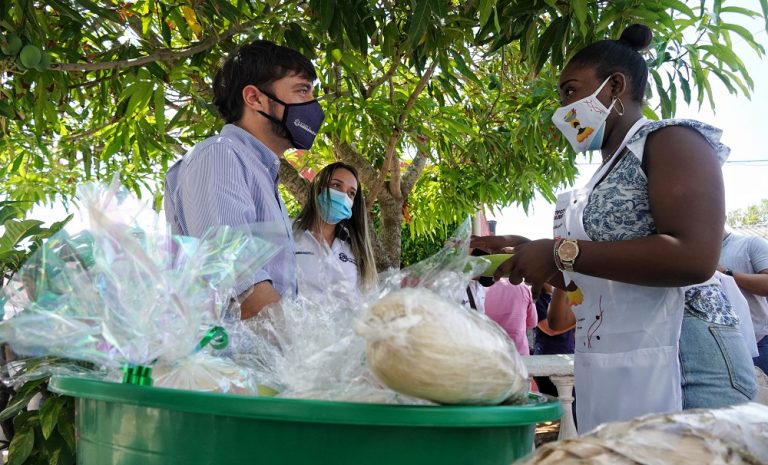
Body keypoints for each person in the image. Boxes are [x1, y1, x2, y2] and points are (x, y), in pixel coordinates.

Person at [472, 24, 756, 433]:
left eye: (570, 91)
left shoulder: (672, 141)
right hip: (620, 354)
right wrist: (529, 253)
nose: (562, 109)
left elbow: (694, 256)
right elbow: (603, 273)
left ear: (614, 86)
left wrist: (559, 252)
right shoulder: (601, 178)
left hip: (687, 357)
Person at [164, 40, 325, 320]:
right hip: (228, 362)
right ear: (254, 98)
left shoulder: (260, 172)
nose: (313, 105)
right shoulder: (220, 155)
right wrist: (308, 350)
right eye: (302, 90)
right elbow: (239, 285)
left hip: (259, 361)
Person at [293, 162, 377, 300]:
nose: (343, 196)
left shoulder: (356, 246)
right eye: (336, 185)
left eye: (351, 193)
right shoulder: (289, 235)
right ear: (318, 188)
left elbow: (366, 299)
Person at [718, 229, 768, 373]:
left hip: (760, 342)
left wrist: (727, 274)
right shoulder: (693, 256)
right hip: (721, 347)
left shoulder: (749, 244)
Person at [532, 285, 575, 397]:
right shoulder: (538, 300)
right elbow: (549, 329)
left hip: (567, 353)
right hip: (547, 355)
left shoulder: (568, 298)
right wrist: (578, 321)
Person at [484, 278, 537, 356]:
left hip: (489, 352)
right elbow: (532, 323)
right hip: (518, 353)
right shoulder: (523, 287)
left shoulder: (481, 287)